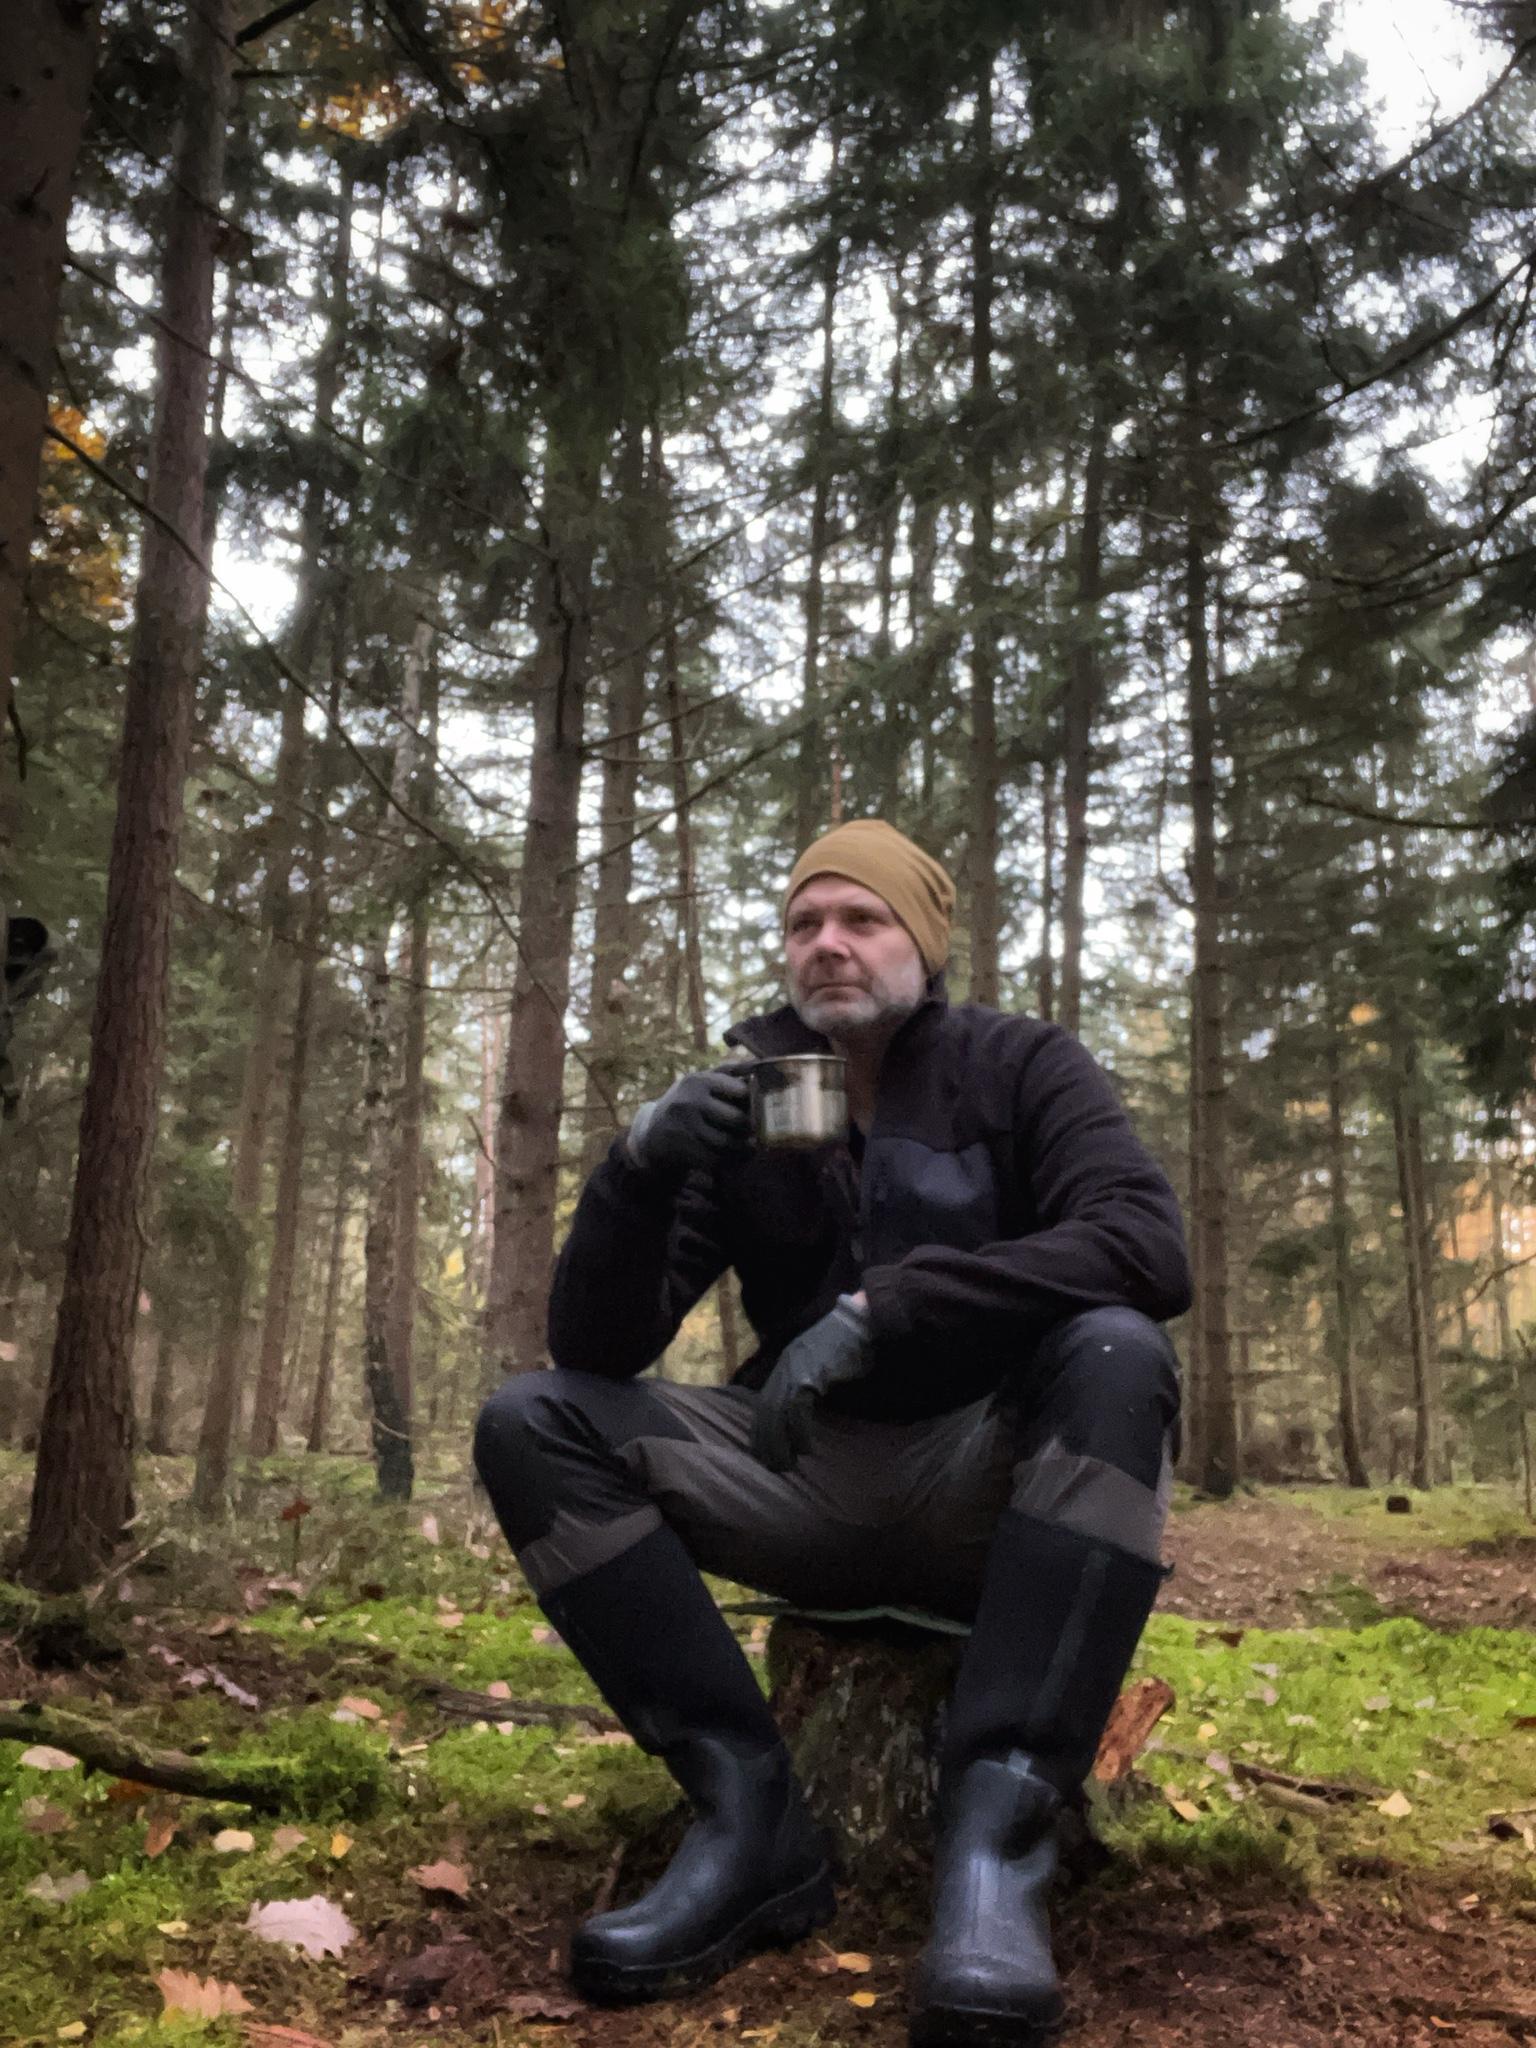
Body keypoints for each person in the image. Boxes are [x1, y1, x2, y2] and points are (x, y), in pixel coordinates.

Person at [474, 819, 1190, 2047]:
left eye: (863, 918)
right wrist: (637, 1169)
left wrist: (886, 1308)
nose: (829, 943)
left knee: (1119, 1348)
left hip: (993, 1479)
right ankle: (749, 1817)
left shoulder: (1019, 1065)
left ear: (926, 941)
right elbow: (598, 1344)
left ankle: (998, 1847)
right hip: (799, 1480)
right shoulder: (756, 1097)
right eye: (805, 922)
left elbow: (1146, 1243)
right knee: (530, 1419)